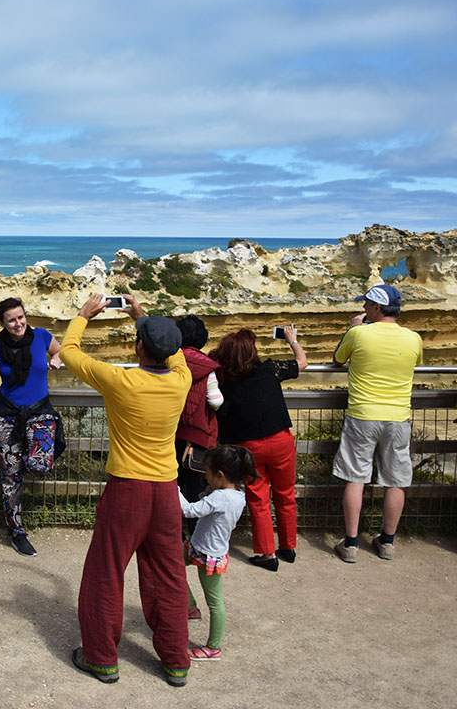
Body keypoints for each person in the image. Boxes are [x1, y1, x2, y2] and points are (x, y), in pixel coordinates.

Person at [60, 293, 192, 688]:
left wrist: (84, 315)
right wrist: (143, 316)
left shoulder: (121, 380)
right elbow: (176, 354)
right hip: (167, 491)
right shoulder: (181, 380)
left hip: (127, 491)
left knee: (106, 572)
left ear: (138, 347)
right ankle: (175, 662)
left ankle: (101, 659)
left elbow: (69, 352)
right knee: (168, 576)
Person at [0, 297, 64, 557]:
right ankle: (16, 532)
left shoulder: (41, 336)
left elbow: (60, 349)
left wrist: (56, 357)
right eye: (12, 319)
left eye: (21, 317)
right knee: (10, 477)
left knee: (39, 464)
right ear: (3, 322)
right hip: (6, 415)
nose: (18, 323)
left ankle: (22, 468)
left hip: (39, 412)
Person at [331, 284, 423, 563]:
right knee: (395, 481)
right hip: (398, 417)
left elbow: (337, 359)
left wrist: (352, 328)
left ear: (377, 309)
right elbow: (415, 363)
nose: (363, 308)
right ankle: (387, 542)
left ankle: (351, 544)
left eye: (367, 304)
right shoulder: (413, 338)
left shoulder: (359, 333)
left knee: (356, 478)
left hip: (362, 415)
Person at [210, 326, 307, 572]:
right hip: (280, 440)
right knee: (286, 493)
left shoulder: (224, 381)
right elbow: (302, 362)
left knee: (258, 498)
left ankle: (267, 553)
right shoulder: (269, 370)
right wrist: (292, 340)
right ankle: (288, 546)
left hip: (248, 446)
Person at [179, 444, 257, 661]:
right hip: (200, 547)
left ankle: (214, 647)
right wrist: (207, 492)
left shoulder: (220, 498)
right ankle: (190, 607)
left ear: (220, 476)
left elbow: (190, 510)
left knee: (215, 602)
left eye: (208, 474)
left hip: (207, 555)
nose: (206, 477)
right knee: (172, 564)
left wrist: (173, 488)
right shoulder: (237, 495)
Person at [174, 315, 223, 536]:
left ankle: (172, 533)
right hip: (197, 437)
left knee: (171, 484)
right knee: (195, 487)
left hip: (172, 432)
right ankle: (194, 537)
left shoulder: (171, 360)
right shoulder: (207, 367)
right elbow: (215, 401)